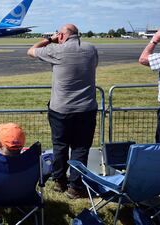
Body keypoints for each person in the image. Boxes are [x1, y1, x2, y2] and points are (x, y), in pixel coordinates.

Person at [27, 24, 98, 198]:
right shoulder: (91, 49)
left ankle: (59, 181)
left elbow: (31, 50)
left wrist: (50, 39)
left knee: (60, 145)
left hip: (61, 108)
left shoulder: (56, 50)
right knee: (81, 148)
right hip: (86, 108)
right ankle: (75, 186)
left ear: (61, 35)